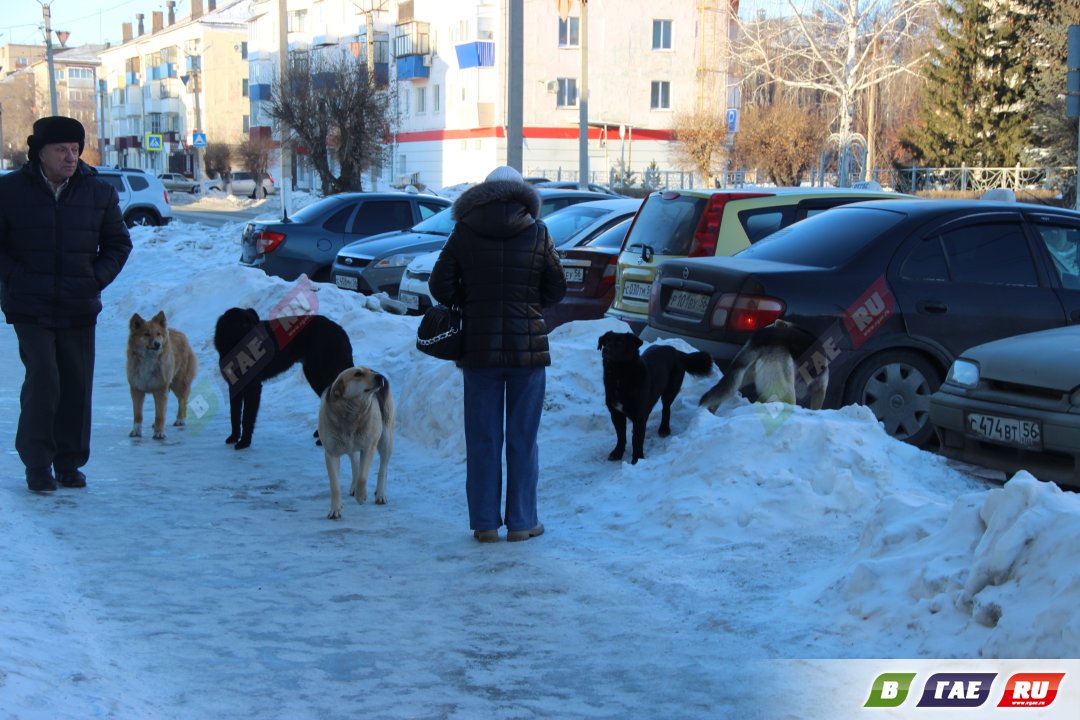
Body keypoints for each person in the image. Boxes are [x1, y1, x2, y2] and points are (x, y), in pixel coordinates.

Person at [429, 165, 566, 543]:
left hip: (479, 352)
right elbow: (557, 289)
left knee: (483, 438)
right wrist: (528, 303)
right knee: (523, 438)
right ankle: (522, 523)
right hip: (528, 353)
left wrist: (471, 303)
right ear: (521, 194)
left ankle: (485, 524)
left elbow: (439, 285)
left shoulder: (464, 231)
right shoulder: (538, 232)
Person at [0, 116, 132, 492]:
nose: (70, 157)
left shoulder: (98, 193)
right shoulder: (10, 192)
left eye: (75, 150)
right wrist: (16, 276)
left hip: (78, 305)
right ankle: (37, 465)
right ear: (39, 152)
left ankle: (70, 462)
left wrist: (95, 279)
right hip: (30, 305)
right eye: (61, 150)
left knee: (76, 384)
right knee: (44, 378)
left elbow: (118, 244)